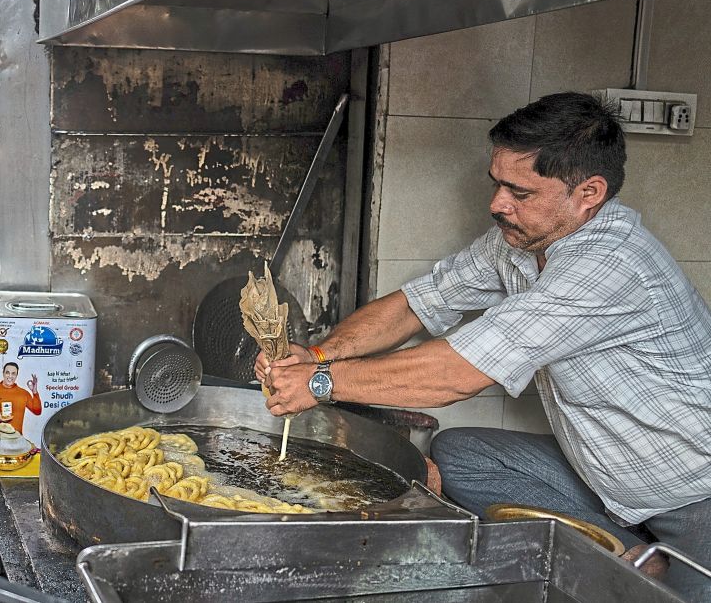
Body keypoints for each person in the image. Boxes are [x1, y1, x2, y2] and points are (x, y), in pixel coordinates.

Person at [257, 92, 711, 601]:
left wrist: (320, 384)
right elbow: (417, 304)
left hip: (695, 495)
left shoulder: (609, 265)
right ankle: (627, 554)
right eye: (497, 183)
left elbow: (458, 373)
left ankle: (640, 568)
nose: (497, 204)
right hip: (610, 479)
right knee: (461, 455)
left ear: (589, 192)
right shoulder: (523, 239)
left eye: (520, 191)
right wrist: (319, 355)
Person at [0, 362, 42, 436]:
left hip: (16, 440)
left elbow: (37, 411)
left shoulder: (23, 393)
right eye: (7, 373)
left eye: (13, 373)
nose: (10, 376)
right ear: (3, 373)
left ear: (16, 375)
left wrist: (34, 392)